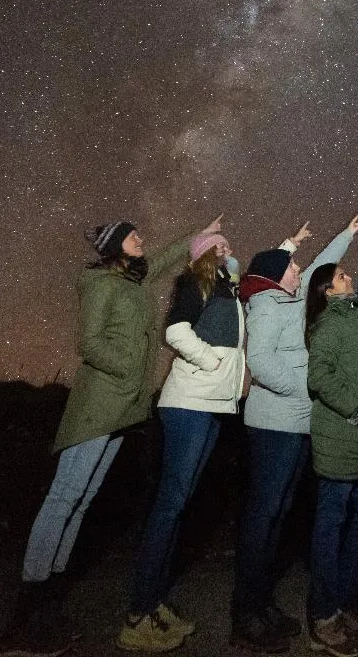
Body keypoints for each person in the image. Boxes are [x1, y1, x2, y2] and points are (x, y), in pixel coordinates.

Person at [0, 217, 207, 657]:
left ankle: (48, 605)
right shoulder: (99, 284)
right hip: (100, 404)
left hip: (122, 406)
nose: (141, 240)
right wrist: (131, 372)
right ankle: (22, 618)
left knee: (82, 501)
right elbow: (89, 343)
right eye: (133, 237)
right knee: (63, 497)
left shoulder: (131, 278)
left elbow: (162, 260)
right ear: (115, 247)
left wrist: (197, 235)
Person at [230, 214, 358, 652]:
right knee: (262, 516)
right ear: (274, 276)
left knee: (279, 517)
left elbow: (317, 267)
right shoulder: (267, 305)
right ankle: (244, 614)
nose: (297, 270)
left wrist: (343, 235)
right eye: (289, 267)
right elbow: (261, 361)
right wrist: (300, 388)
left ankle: (262, 603)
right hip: (273, 426)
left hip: (296, 424)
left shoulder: (291, 299)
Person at [117, 224, 245, 652]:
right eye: (220, 246)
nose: (228, 249)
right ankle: (138, 613)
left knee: (179, 504)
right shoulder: (196, 281)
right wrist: (210, 364)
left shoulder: (228, 289)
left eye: (229, 245)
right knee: (170, 505)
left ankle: (155, 602)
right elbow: (176, 331)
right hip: (189, 403)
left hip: (211, 407)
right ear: (205, 255)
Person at [305, 256, 358, 657]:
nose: (349, 276)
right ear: (327, 290)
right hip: (341, 439)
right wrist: (357, 409)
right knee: (330, 526)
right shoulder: (329, 324)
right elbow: (319, 376)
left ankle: (340, 601)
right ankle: (323, 615)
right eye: (340, 276)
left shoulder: (356, 313)